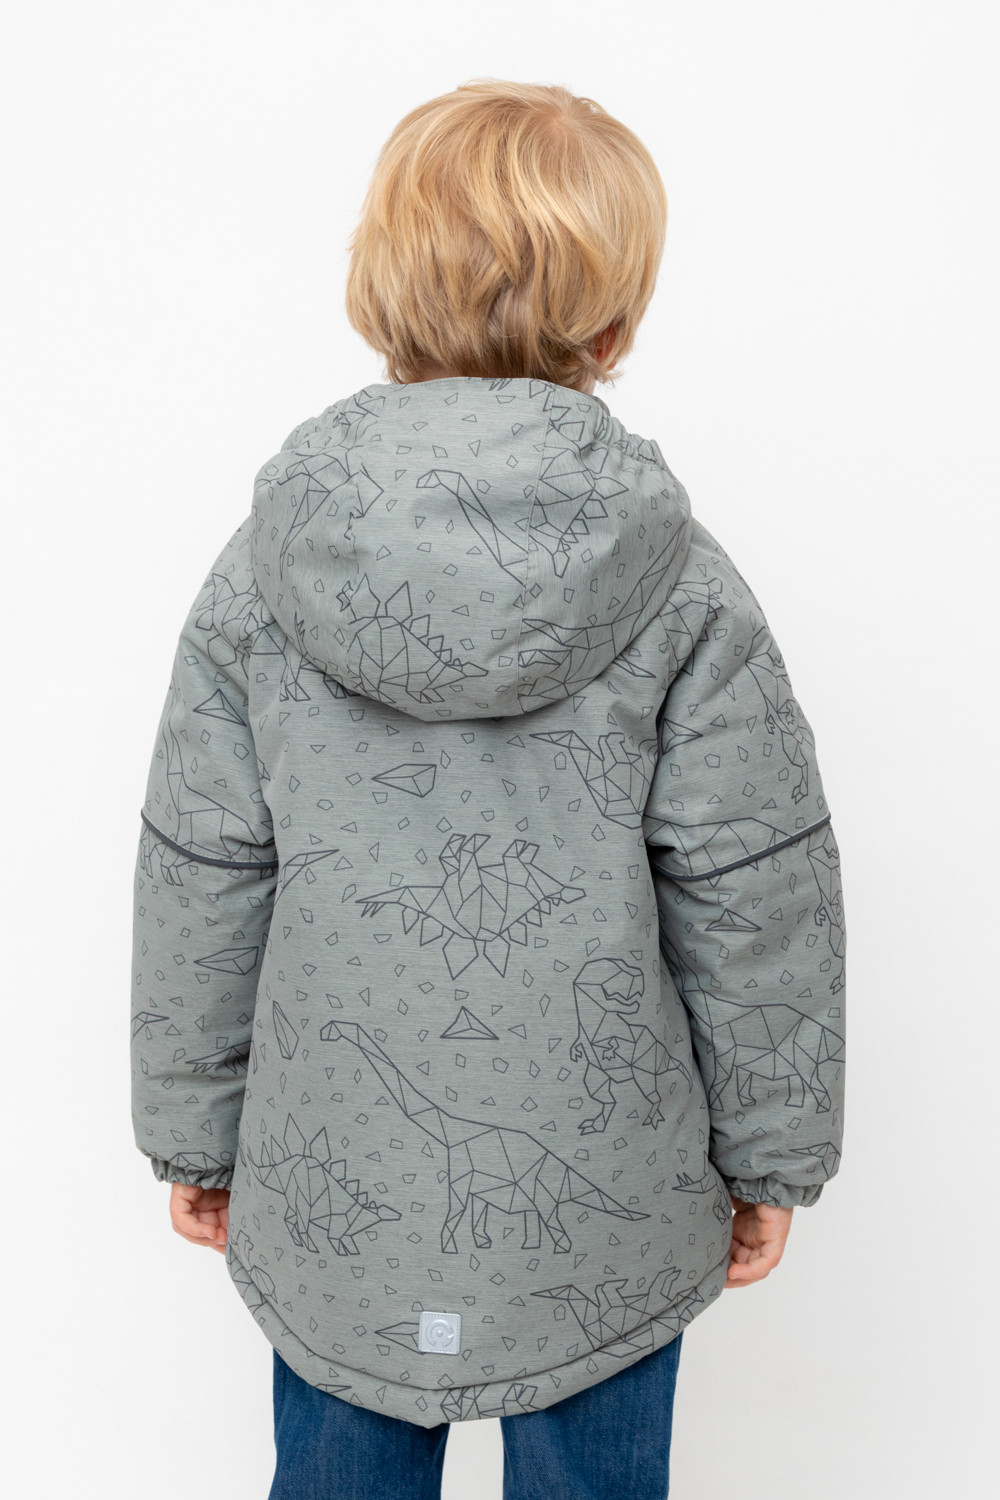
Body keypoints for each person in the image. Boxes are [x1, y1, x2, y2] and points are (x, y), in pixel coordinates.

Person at [130, 78, 846, 1500]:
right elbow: (752, 884)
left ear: (379, 285)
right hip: (608, 1211)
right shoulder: (683, 582)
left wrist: (194, 1127)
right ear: (615, 320)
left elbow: (203, 869)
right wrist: (773, 1149)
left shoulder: (264, 568)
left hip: (336, 1195)